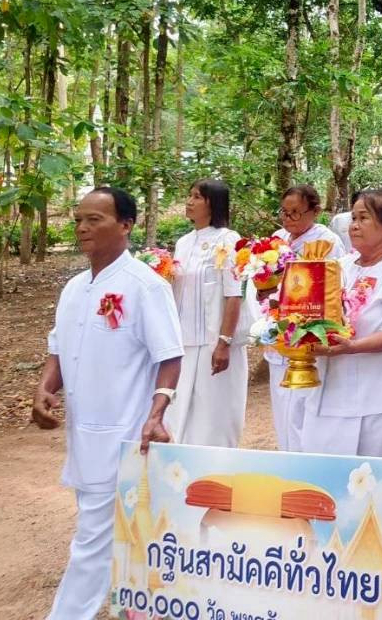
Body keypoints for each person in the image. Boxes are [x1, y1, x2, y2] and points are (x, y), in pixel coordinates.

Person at [33, 188, 183, 620]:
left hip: (124, 433)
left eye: (94, 219)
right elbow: (58, 348)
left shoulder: (145, 286)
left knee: (92, 542)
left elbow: (169, 355)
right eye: (79, 219)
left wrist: (156, 414)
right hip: (83, 433)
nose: (82, 228)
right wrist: (45, 388)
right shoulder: (75, 288)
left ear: (126, 225)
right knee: (119, 529)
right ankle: (146, 603)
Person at [296, 188, 382, 460]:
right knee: (327, 483)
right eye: (353, 217)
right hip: (329, 395)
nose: (354, 225)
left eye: (364, 218)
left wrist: (351, 346)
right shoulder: (338, 267)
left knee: (379, 487)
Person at [164, 179, 248, 448]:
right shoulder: (183, 243)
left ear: (213, 203)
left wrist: (224, 342)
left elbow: (234, 293)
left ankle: (217, 473)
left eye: (197, 197)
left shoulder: (229, 240)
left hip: (215, 342)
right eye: (189, 196)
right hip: (184, 341)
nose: (189, 202)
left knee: (214, 418)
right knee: (178, 415)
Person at [266, 184, 345, 450]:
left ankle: (305, 463)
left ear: (315, 211)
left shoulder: (327, 242)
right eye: (284, 213)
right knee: (282, 406)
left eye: (296, 213)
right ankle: (287, 457)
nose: (288, 219)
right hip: (280, 331)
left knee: (304, 408)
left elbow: (334, 288)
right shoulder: (277, 240)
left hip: (309, 334)